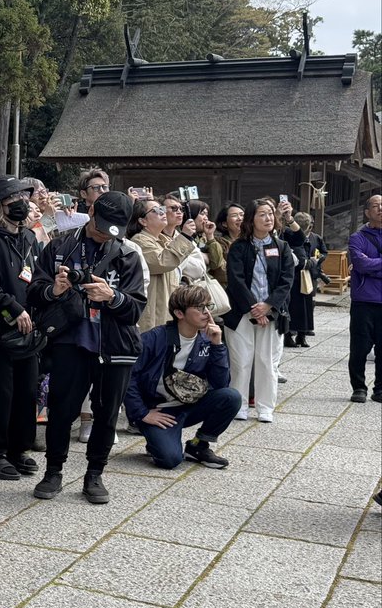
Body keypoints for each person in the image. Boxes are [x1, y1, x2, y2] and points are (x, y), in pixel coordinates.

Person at [27, 191, 146, 504]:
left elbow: (135, 309)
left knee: (106, 415)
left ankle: (95, 474)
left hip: (114, 346)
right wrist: (54, 290)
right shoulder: (58, 246)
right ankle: (53, 471)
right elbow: (35, 294)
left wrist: (112, 297)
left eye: (113, 229)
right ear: (90, 211)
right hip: (70, 342)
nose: (104, 232)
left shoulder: (128, 255)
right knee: (62, 410)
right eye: (101, 224)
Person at [124, 285, 240, 469]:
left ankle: (198, 446)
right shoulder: (153, 339)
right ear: (179, 313)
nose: (206, 313)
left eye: (208, 306)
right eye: (200, 308)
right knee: (170, 460)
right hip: (160, 411)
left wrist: (217, 346)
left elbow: (220, 385)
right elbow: (128, 377)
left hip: (190, 404)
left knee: (231, 397)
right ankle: (155, 441)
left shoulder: (207, 339)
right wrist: (142, 414)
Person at [0, 176, 40, 480]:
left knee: (27, 391)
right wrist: (12, 308)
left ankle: (19, 448)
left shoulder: (28, 238)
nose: (22, 205)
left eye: (24, 199)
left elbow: (37, 277)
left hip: (29, 332)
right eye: (15, 200)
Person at [223, 198, 294, 423]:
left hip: (271, 313)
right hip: (242, 312)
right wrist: (254, 308)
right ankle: (239, 404)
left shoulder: (281, 247)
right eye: (262, 214)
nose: (268, 218)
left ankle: (265, 407)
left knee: (267, 362)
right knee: (241, 361)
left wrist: (267, 306)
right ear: (251, 219)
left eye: (271, 214)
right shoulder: (239, 246)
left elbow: (286, 280)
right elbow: (236, 280)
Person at [128, 198, 196, 332]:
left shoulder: (163, 240)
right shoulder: (139, 240)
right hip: (153, 311)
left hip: (167, 308)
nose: (162, 212)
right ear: (143, 221)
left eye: (163, 209)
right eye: (157, 210)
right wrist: (186, 236)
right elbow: (162, 262)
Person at [347, 194, 382, 403]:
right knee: (359, 347)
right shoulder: (357, 238)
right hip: (363, 301)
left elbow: (368, 266)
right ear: (367, 212)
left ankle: (380, 389)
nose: (380, 209)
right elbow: (360, 265)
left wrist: (373, 266)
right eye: (376, 206)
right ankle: (358, 387)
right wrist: (369, 267)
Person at [286, 212, 327, 348]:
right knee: (294, 307)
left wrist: (317, 260)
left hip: (308, 276)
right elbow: (301, 261)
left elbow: (323, 252)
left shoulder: (316, 238)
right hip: (295, 278)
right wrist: (311, 262)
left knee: (307, 307)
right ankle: (289, 334)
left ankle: (302, 335)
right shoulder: (290, 236)